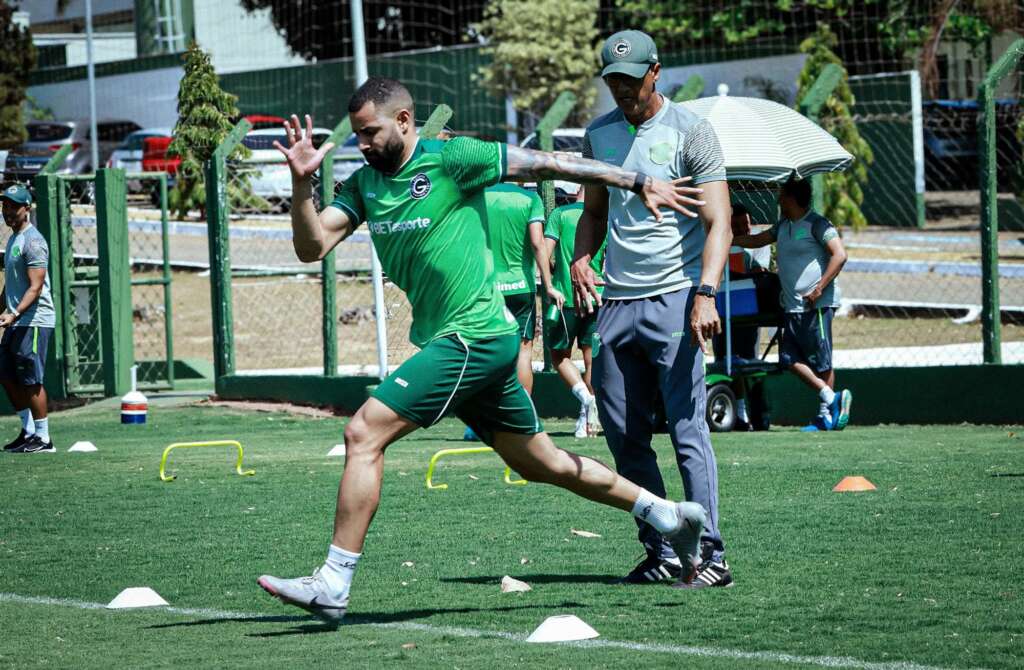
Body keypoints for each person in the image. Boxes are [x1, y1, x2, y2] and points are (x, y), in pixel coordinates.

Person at [257, 77, 712, 623]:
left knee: (362, 433)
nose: (363, 144)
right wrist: (302, 186)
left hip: (473, 336)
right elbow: (312, 246)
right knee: (542, 464)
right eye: (356, 135)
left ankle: (333, 582)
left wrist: (636, 180)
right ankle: (667, 515)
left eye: (371, 132)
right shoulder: (363, 186)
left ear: (403, 121)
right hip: (460, 343)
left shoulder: (453, 159)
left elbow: (550, 163)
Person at [570, 29, 734, 588]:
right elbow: (592, 213)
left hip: (676, 297)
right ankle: (663, 550)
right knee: (620, 433)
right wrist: (581, 258)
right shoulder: (599, 133)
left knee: (687, 428)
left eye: (631, 78)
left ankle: (711, 553)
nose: (621, 89)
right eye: (612, 79)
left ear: (654, 72)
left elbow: (720, 222)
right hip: (616, 299)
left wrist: (706, 292)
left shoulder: (693, 131)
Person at [733, 178, 852, 431]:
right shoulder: (782, 226)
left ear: (792, 198)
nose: (778, 200)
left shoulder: (818, 224)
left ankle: (826, 417)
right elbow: (757, 241)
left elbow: (840, 255)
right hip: (792, 307)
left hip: (816, 306)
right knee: (788, 359)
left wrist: (819, 288)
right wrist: (728, 239)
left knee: (822, 362)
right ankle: (832, 399)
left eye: (782, 196)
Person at [464, 183, 562, 442]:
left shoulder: (478, 197)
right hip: (521, 287)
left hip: (484, 287)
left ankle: (477, 424)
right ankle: (522, 421)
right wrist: (549, 284)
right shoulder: (529, 199)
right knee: (523, 352)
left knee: (482, 351)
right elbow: (537, 243)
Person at [1, 183, 56, 454]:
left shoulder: (33, 241)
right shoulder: (14, 238)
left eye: (13, 206)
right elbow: (11, 284)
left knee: (31, 379)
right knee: (7, 374)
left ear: (27, 208)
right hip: (16, 320)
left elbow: (35, 286)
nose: (7, 210)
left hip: (33, 320)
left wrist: (14, 313)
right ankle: (29, 431)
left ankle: (44, 439)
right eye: (4, 205)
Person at [544, 187, 602, 438]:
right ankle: (589, 419)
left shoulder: (560, 214)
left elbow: (545, 253)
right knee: (591, 358)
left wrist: (553, 272)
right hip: (594, 295)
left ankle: (586, 399)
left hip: (564, 297)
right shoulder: (603, 218)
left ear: (578, 190)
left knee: (559, 357)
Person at [712, 202, 771, 431]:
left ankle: (758, 413)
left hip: (747, 309)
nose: (743, 230)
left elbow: (759, 271)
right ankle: (739, 413)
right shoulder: (721, 241)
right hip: (723, 308)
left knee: (749, 362)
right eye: (736, 226)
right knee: (725, 359)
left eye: (745, 225)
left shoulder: (757, 243)